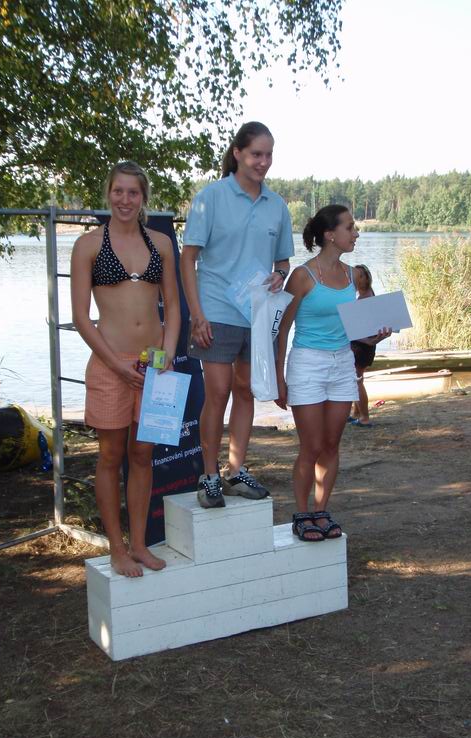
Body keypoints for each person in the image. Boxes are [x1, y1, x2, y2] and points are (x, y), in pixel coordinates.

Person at [71, 161, 180, 577]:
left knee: (143, 455)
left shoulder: (161, 244)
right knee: (110, 456)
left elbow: (173, 307)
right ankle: (116, 549)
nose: (125, 199)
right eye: (118, 191)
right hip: (109, 363)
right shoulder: (87, 246)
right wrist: (115, 364)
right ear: (108, 193)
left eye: (133, 192)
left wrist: (167, 354)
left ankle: (139, 544)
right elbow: (81, 317)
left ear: (143, 197)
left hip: (153, 366)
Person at [180, 121, 294, 509]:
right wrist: (197, 315)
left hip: (256, 313)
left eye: (268, 155)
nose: (263, 162)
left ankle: (235, 470)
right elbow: (188, 259)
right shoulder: (211, 197)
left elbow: (283, 262)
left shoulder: (276, 206)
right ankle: (209, 476)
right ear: (238, 154)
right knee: (218, 392)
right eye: (256, 154)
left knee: (245, 391)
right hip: (216, 309)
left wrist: (280, 275)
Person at [276, 205, 389, 542]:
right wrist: (278, 378)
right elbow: (282, 329)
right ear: (330, 235)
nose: (356, 233)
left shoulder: (353, 276)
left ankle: (321, 511)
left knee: (331, 445)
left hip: (342, 363)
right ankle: (302, 514)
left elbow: (355, 329)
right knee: (310, 446)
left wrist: (376, 335)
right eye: (350, 227)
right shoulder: (302, 276)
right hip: (307, 363)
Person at [348, 264, 388, 428]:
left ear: (367, 278)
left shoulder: (365, 299)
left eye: (361, 276)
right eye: (355, 276)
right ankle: (356, 413)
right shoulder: (367, 295)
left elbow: (360, 329)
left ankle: (364, 417)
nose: (357, 279)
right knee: (358, 378)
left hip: (361, 346)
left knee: (357, 380)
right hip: (364, 344)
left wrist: (368, 341)